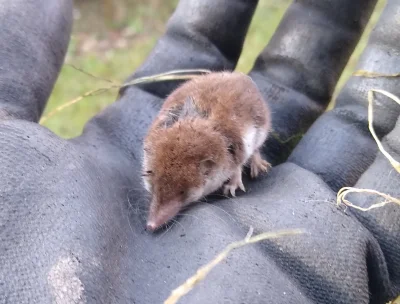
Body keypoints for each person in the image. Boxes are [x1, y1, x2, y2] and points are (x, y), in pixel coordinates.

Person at [0, 0, 399, 303]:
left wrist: (242, 167)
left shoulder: (229, 149)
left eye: (181, 197)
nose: (155, 220)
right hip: (199, 117)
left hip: (240, 124)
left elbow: (242, 142)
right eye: (154, 186)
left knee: (248, 148)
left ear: (213, 169)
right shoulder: (158, 141)